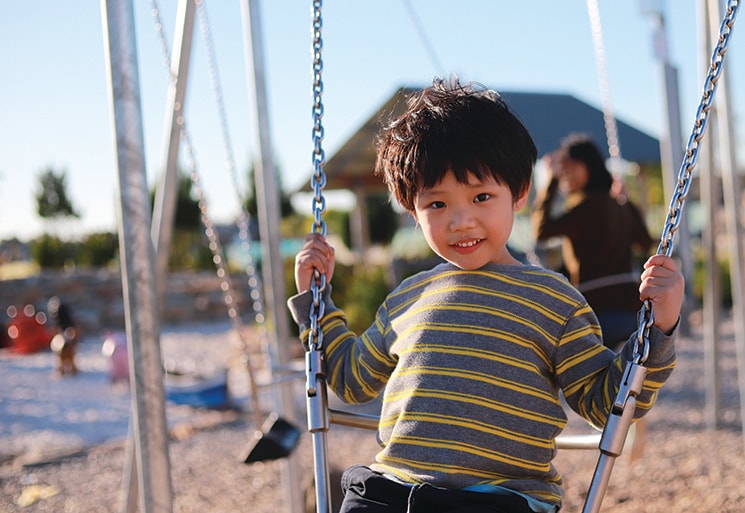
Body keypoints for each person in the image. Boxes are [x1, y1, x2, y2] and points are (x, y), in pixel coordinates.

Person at [288, 77, 684, 513]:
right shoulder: (406, 299)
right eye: (437, 205)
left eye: (480, 197)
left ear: (518, 193)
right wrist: (315, 303)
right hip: (395, 491)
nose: (461, 221)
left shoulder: (553, 300)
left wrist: (659, 328)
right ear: (411, 209)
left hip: (498, 501)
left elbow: (607, 401)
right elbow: (349, 378)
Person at [532, 134, 653, 348]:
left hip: (600, 311)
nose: (564, 175)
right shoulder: (617, 203)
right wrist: (629, 203)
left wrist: (550, 181)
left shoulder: (588, 207)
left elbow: (541, 231)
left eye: (567, 168)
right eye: (561, 170)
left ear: (584, 166)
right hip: (631, 308)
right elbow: (645, 242)